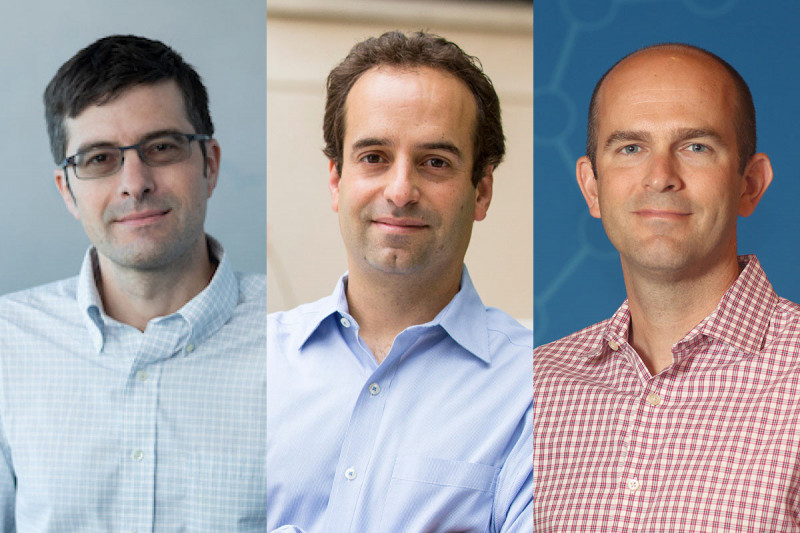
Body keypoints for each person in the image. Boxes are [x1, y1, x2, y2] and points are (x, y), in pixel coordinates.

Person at [267, 31, 532, 532]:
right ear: (336, 181)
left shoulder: (536, 389)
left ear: (481, 191)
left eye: (435, 162)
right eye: (374, 157)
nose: (401, 190)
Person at [0, 35, 265, 531]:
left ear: (209, 164)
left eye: (161, 147)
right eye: (99, 158)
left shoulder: (295, 335)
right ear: (67, 191)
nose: (135, 182)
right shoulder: (6, 345)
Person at [532, 43, 800, 531]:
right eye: (630, 148)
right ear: (593, 188)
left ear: (751, 184)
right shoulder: (533, 388)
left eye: (696, 146)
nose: (660, 177)